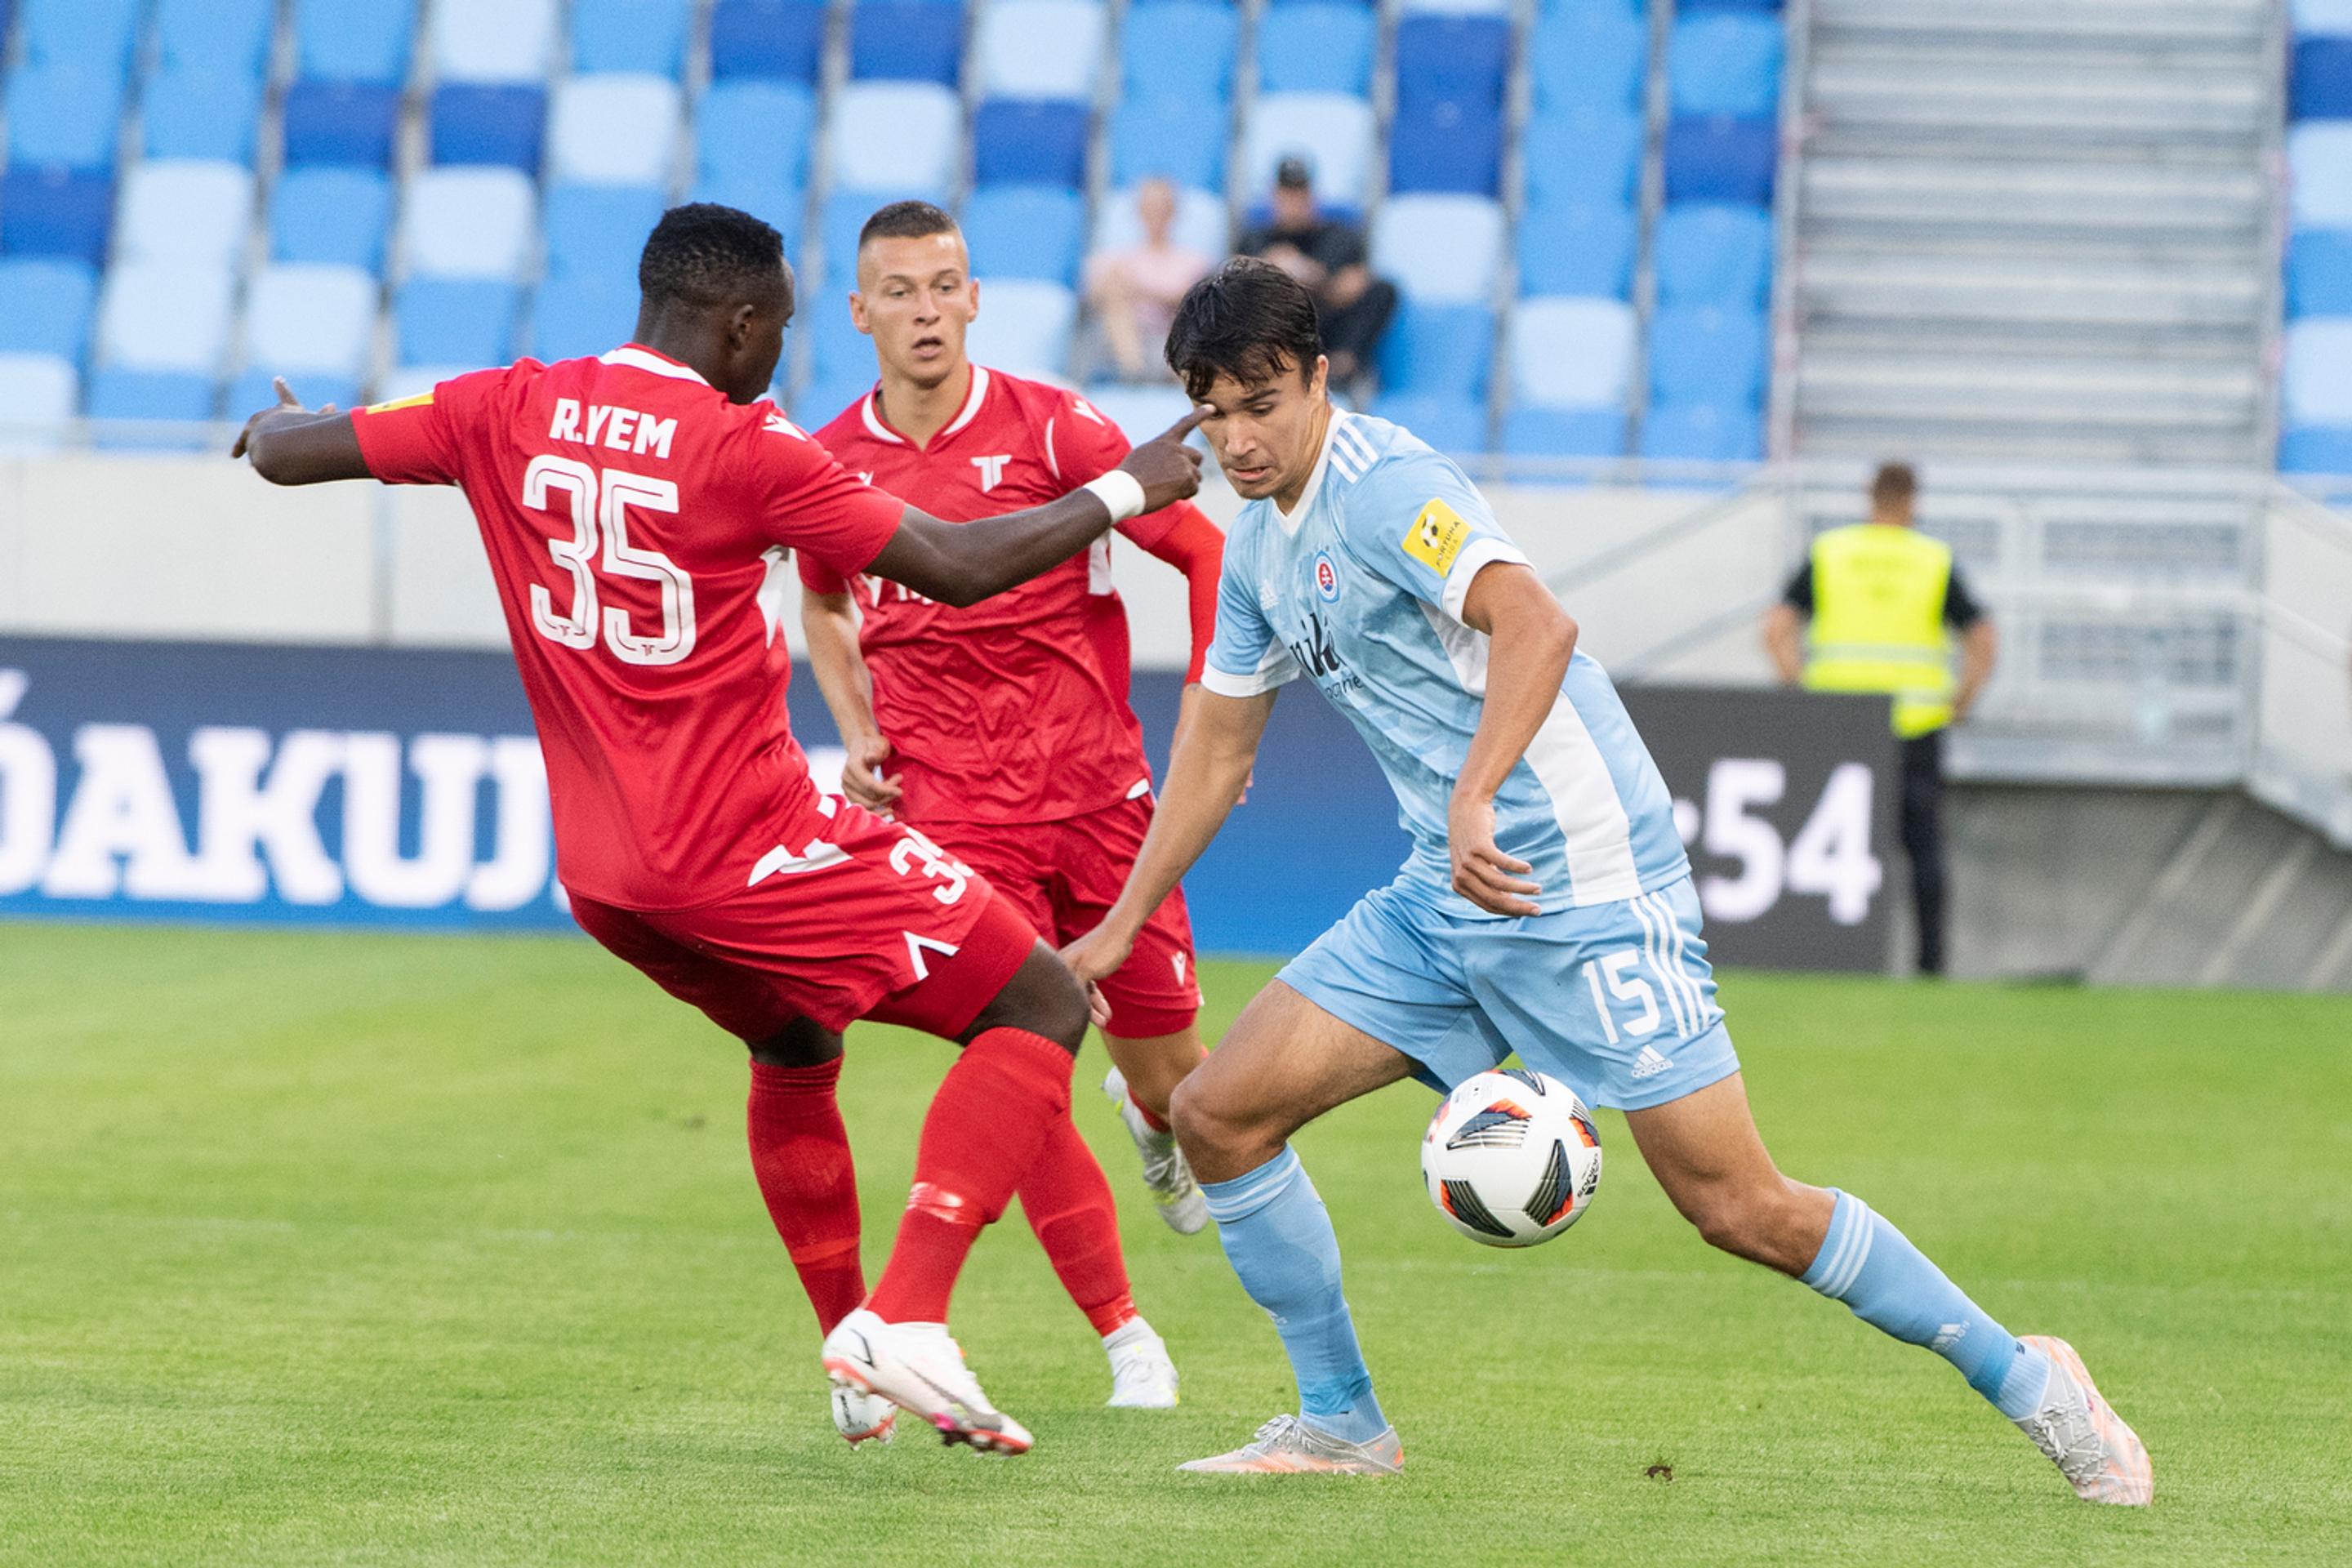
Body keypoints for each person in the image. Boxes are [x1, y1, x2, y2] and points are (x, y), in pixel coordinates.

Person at [1062, 259, 2150, 1503]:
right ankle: (1341, 1421)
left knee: (1739, 1205)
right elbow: (1216, 743)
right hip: (1444, 892)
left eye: (1262, 404)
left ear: (1318, 377)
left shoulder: (1388, 490)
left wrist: (1476, 796)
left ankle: (2031, 1381)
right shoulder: (1255, 550)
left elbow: (1538, 624)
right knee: (1217, 1115)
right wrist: (1122, 922)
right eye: (1214, 414)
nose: (1241, 439)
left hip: (1579, 878)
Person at [231, 203, 1207, 1457]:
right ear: (738, 325)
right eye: (781, 332)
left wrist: (273, 426)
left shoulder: (502, 405)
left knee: (796, 1039)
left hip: (604, 879)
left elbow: (296, 449)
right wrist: (1132, 483)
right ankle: (904, 1321)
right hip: (748, 846)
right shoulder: (748, 446)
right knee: (1038, 1003)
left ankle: (852, 1370)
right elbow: (955, 566)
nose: (782, 360)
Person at [797, 199, 1227, 1403]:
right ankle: (1126, 1337)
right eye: (901, 290)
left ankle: (1151, 1127)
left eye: (946, 286)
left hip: (1100, 795)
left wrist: (1209, 714)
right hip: (951, 809)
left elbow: (1204, 555)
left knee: (1176, 1083)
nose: (926, 310)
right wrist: (859, 729)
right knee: (1017, 1042)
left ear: (976, 297)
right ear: (861, 312)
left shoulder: (1055, 428)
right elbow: (825, 604)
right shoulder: (827, 463)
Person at [1762, 462, 1998, 977]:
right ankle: (1930, 964)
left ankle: (1817, 955)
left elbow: (1777, 627)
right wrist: (1962, 699)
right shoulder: (1931, 560)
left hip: (1838, 724)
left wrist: (1797, 687)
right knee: (1923, 851)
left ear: (1870, 497)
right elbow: (1983, 638)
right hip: (1915, 724)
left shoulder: (1832, 553)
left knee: (1824, 842)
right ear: (1913, 501)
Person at [1237, 157, 1395, 402]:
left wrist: (1299, 271)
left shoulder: (1339, 236)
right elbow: (1237, 281)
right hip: (1280, 331)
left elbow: (1352, 282)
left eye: (1299, 195)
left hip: (1328, 322)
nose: (1293, 203)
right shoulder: (1256, 238)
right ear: (1274, 197)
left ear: (1312, 197)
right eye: (1286, 195)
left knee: (1383, 290)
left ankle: (1343, 364)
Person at [1084, 178, 1213, 382]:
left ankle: (1153, 375)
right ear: (1139, 211)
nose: (1156, 214)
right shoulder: (1115, 259)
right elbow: (1095, 296)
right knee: (1115, 306)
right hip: (1124, 340)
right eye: (1150, 207)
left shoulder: (1192, 261)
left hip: (1170, 338)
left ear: (1173, 211)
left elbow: (1192, 299)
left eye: (1162, 207)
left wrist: (1139, 290)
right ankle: (1134, 374)